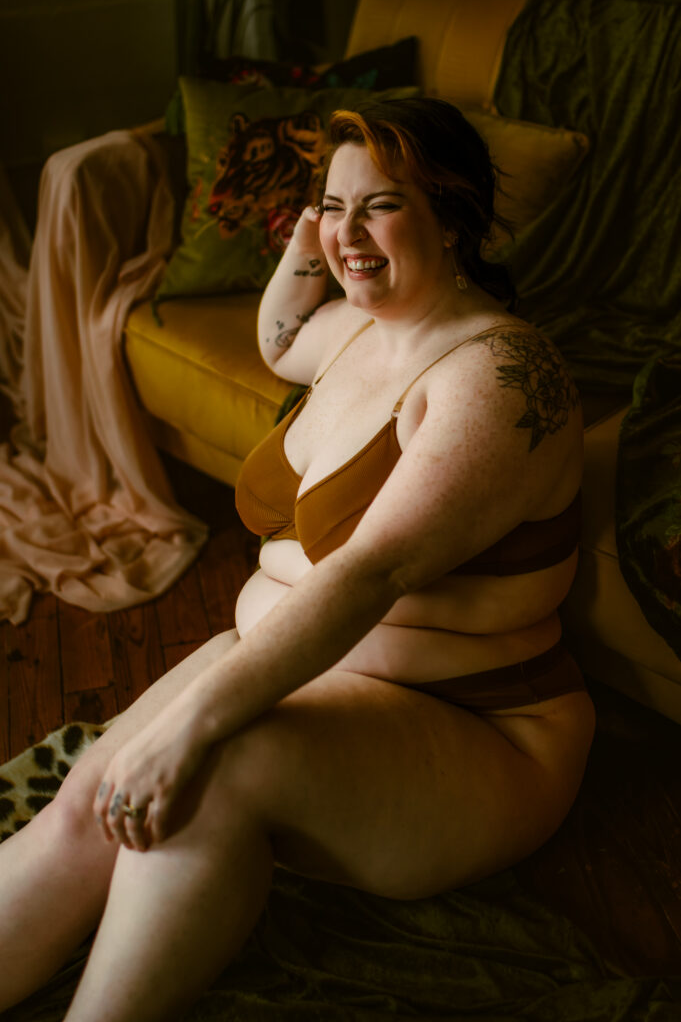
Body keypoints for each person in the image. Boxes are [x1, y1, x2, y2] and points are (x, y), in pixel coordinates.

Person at [0, 97, 595, 1021]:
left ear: (455, 217)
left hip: (476, 728)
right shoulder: (355, 329)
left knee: (201, 777)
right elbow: (278, 337)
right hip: (304, 674)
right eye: (333, 203)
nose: (347, 233)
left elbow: (372, 573)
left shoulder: (499, 378)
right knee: (95, 796)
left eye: (382, 204)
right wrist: (319, 231)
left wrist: (194, 726)